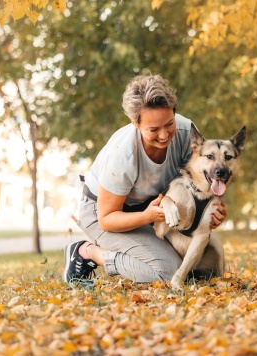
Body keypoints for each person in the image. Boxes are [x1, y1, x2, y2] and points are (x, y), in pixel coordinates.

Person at [63, 74, 227, 286]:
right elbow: (107, 218)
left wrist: (216, 210)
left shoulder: (187, 133)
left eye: (169, 124)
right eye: (153, 129)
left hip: (153, 209)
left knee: (201, 264)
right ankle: (87, 252)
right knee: (167, 272)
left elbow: (199, 184)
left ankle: (142, 251)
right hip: (103, 212)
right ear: (135, 123)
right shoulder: (123, 155)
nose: (163, 135)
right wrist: (146, 216)